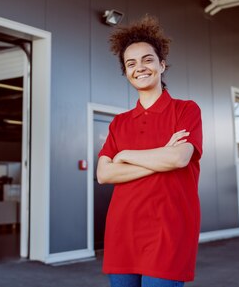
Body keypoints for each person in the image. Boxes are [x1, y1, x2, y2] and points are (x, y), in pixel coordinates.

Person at [97, 16, 203, 287]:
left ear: (161, 65)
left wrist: (125, 155)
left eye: (147, 59)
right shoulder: (119, 122)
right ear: (126, 72)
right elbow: (104, 175)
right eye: (130, 63)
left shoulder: (186, 110)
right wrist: (161, 156)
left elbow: (179, 158)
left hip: (169, 232)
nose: (139, 68)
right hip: (123, 231)